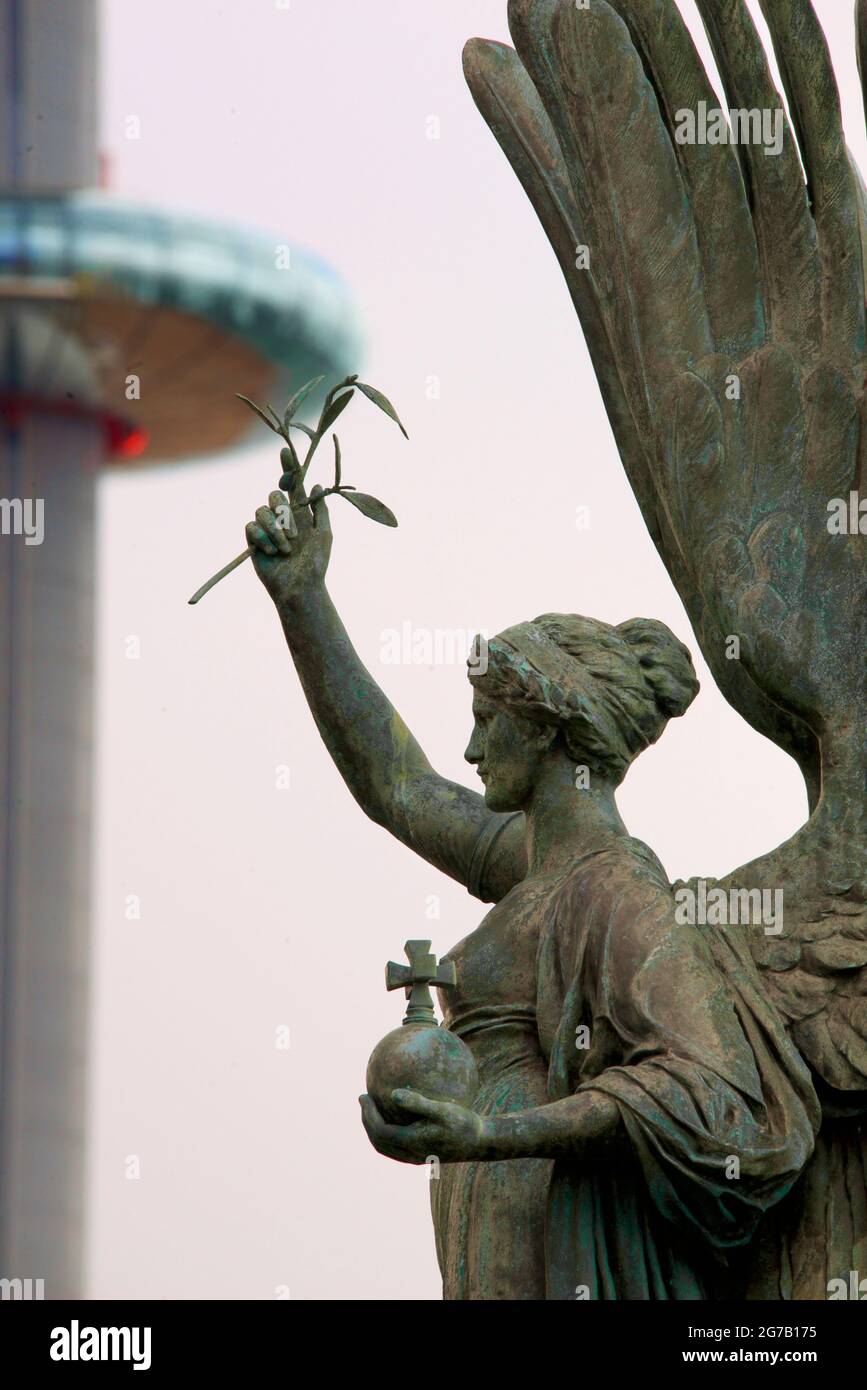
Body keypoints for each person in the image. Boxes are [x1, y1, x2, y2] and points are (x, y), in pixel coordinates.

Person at [243, 478, 819, 1300]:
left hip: (555, 1222)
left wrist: (489, 1132)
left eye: (488, 719)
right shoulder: (530, 868)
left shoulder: (615, 889)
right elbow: (393, 784)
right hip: (488, 1205)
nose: (471, 747)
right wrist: (302, 599)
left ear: (547, 730)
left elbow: (703, 1089)